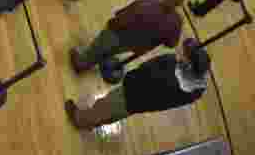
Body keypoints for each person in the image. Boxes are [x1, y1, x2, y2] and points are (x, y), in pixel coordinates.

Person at [66, 39, 210, 129]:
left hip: (131, 93)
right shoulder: (196, 90)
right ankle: (93, 123)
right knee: (112, 116)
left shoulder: (169, 67)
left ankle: (80, 119)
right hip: (140, 105)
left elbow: (145, 70)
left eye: (185, 55)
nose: (180, 53)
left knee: (103, 107)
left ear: (189, 65)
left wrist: (130, 78)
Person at [70, 0, 188, 73]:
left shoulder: (146, 4)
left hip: (117, 34)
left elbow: (121, 16)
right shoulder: (177, 23)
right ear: (180, 3)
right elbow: (171, 44)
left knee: (98, 47)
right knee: (111, 52)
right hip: (135, 46)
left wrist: (111, 24)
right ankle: (91, 63)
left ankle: (81, 63)